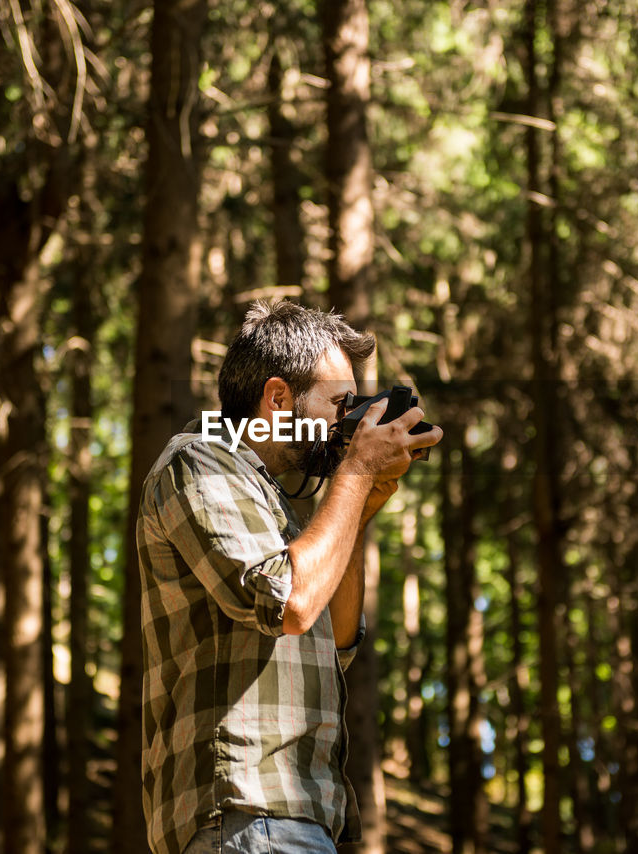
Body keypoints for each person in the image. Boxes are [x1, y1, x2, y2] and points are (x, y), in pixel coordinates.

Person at [137, 301, 443, 854]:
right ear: (279, 398)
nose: (349, 422)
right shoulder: (199, 460)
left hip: (288, 816)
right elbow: (291, 604)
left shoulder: (281, 508)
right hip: (245, 813)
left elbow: (338, 642)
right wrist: (355, 471)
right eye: (339, 403)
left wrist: (362, 500)